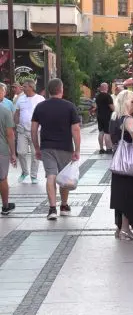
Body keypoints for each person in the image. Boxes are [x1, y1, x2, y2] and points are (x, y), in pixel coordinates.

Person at [30, 78, 81, 221]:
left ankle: (52, 208)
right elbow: (76, 130)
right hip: (65, 147)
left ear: (49, 91)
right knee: (64, 176)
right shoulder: (69, 106)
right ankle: (64, 206)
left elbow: (33, 130)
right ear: (61, 89)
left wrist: (36, 147)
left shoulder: (40, 107)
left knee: (50, 176)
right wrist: (77, 149)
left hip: (47, 147)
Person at [109, 90, 133, 240]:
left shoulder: (114, 117)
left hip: (118, 162)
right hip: (129, 163)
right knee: (129, 195)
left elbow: (109, 138)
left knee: (120, 196)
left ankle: (120, 229)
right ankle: (125, 229)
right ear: (125, 102)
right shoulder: (127, 118)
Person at [14, 79, 45, 184]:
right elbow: (17, 113)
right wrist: (15, 125)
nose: (23, 88)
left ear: (31, 87)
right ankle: (24, 172)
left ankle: (33, 175)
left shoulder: (40, 99)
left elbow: (44, 115)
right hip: (22, 130)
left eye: (25, 86)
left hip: (36, 132)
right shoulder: (20, 99)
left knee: (35, 154)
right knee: (21, 152)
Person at [0, 89, 16, 215]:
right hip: (1, 150)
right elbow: (10, 134)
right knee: (2, 178)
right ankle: (5, 206)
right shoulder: (5, 111)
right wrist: (13, 153)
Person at [95, 83, 115, 154]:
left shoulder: (97, 96)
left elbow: (96, 106)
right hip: (107, 116)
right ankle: (108, 148)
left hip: (99, 116)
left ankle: (101, 149)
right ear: (106, 88)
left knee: (101, 132)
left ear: (101, 88)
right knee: (107, 132)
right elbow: (112, 107)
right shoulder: (108, 96)